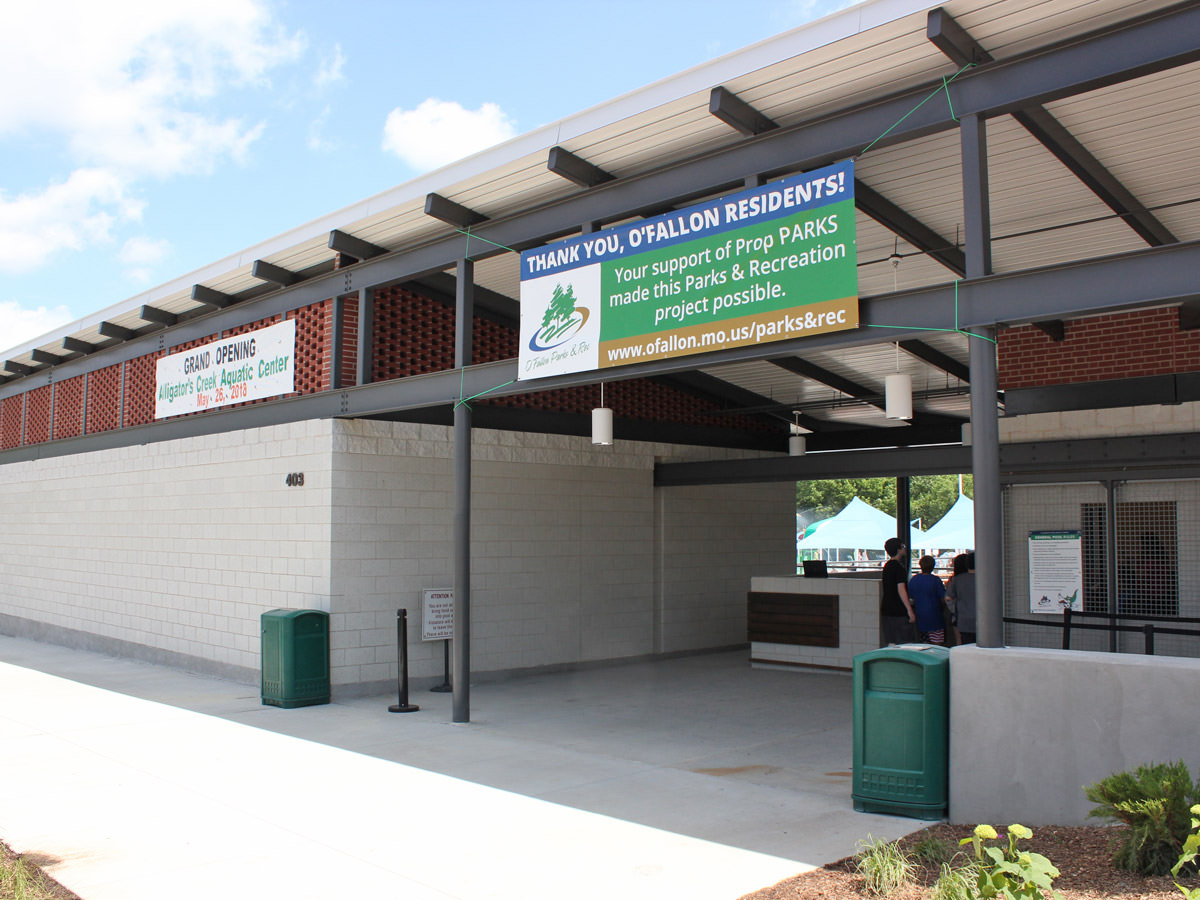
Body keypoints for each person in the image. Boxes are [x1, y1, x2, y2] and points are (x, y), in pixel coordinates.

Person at [880, 537, 916, 645]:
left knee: (891, 642)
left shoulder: (887, 566)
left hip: (886, 608)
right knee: (905, 642)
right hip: (898, 610)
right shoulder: (899, 568)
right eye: (903, 546)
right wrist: (909, 609)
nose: (905, 548)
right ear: (898, 549)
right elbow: (901, 589)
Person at [908, 555, 947, 644]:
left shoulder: (914, 579)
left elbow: (911, 597)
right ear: (933, 566)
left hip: (920, 618)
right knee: (937, 644)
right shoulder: (936, 580)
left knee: (924, 644)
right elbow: (943, 598)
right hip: (935, 618)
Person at [947, 551, 977, 644]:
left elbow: (948, 598)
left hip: (963, 620)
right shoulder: (985, 579)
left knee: (965, 646)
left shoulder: (957, 580)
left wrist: (955, 610)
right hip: (983, 620)